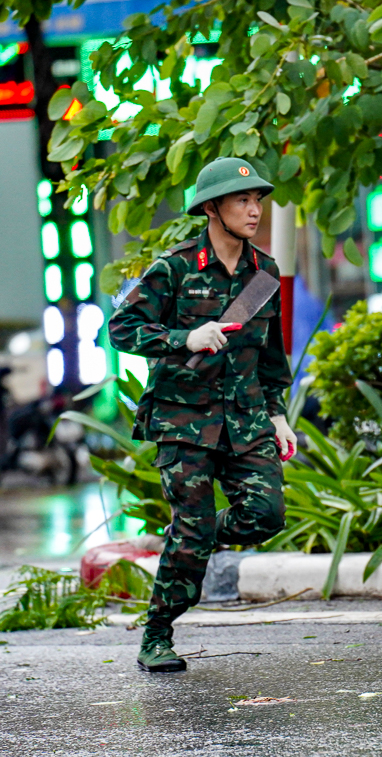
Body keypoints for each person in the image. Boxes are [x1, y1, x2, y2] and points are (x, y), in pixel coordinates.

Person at [109, 157, 296, 673]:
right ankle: (156, 636)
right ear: (212, 208)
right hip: (183, 421)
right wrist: (181, 338)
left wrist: (278, 415)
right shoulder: (174, 266)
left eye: (257, 200)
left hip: (245, 420)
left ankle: (193, 535)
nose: (254, 210)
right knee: (189, 531)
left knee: (266, 515)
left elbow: (271, 355)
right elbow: (120, 329)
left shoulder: (265, 273)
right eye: (242, 200)